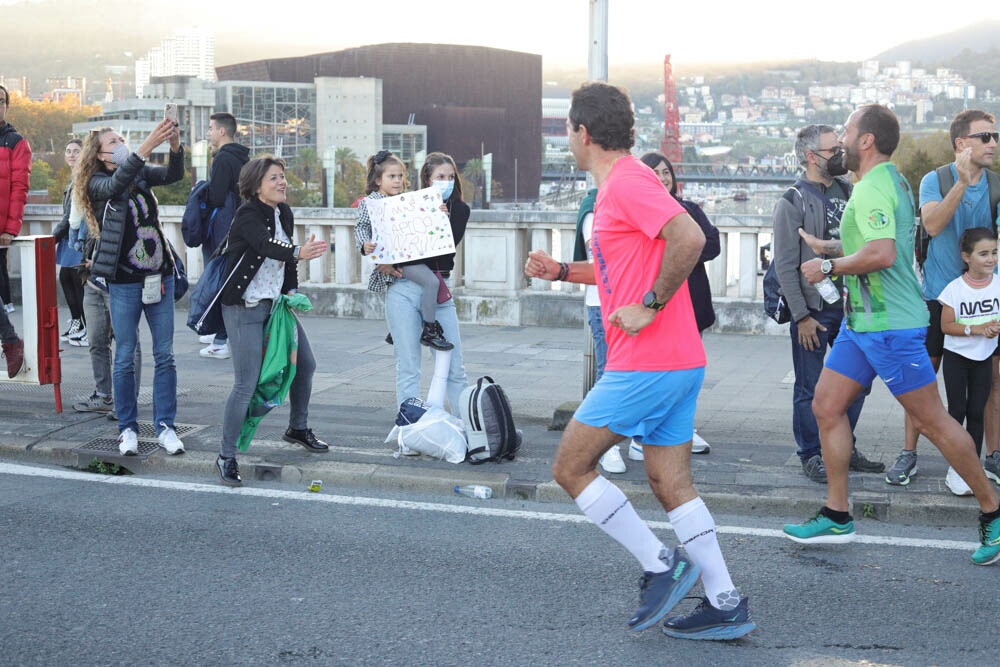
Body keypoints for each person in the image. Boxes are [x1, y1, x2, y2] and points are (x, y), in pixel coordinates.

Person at [525, 81, 755, 640]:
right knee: (669, 482)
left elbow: (690, 237)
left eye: (566, 133)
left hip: (646, 362)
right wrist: (560, 271)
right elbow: (618, 270)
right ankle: (724, 601)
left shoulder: (627, 180)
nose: (566, 141)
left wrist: (650, 306)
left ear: (582, 133)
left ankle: (661, 564)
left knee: (570, 468)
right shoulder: (621, 186)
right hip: (675, 361)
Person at [782, 104, 1000, 567]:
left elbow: (881, 254)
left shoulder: (874, 188)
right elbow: (890, 242)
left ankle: (993, 512)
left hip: (891, 327)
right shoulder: (888, 181)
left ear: (866, 141)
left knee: (933, 423)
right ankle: (837, 514)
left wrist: (827, 265)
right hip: (862, 325)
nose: (839, 140)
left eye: (846, 131)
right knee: (826, 405)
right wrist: (833, 247)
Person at [887, 109, 1000, 487]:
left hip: (986, 298)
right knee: (922, 379)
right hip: (938, 296)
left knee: (992, 380)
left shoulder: (998, 185)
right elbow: (933, 224)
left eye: (995, 136)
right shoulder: (935, 180)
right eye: (984, 137)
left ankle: (993, 457)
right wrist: (963, 183)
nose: (993, 143)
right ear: (961, 143)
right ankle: (909, 454)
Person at [771, 124, 881, 483]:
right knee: (810, 386)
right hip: (814, 312)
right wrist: (801, 316)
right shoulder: (792, 201)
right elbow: (786, 265)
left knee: (858, 381)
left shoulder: (849, 191)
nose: (840, 154)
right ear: (810, 156)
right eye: (833, 150)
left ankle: (842, 447)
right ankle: (812, 454)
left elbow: (865, 246)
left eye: (839, 147)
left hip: (851, 305)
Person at [214, 155, 330, 487]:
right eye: (273, 178)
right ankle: (226, 456)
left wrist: (292, 289)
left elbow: (287, 260)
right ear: (255, 186)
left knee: (305, 365)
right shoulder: (247, 214)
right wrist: (296, 251)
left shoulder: (284, 213)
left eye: (282, 176)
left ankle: (297, 427)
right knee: (245, 384)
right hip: (244, 308)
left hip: (276, 307)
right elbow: (267, 246)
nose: (281, 182)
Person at [76, 120, 186, 457]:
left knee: (164, 354)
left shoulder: (137, 173)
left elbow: (172, 176)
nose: (121, 144)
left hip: (158, 276)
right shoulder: (97, 183)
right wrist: (144, 146)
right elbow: (115, 186)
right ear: (100, 154)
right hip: (124, 281)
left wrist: (176, 146)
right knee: (124, 355)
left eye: (123, 139)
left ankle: (166, 426)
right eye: (114, 142)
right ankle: (127, 429)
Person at [355, 151, 469, 412]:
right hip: (403, 288)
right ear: (427, 179)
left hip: (438, 288)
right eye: (440, 176)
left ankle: (469, 430)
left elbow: (442, 250)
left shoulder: (459, 210)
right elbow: (384, 237)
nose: (446, 181)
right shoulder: (406, 202)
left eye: (451, 177)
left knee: (454, 367)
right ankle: (410, 428)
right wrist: (381, 257)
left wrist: (436, 218)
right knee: (408, 366)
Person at [640, 151, 720, 456]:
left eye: (666, 173)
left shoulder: (689, 209)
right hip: (657, 303)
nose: (662, 178)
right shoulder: (641, 213)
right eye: (655, 173)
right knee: (656, 370)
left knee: (688, 369)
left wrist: (679, 255)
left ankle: (684, 427)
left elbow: (712, 243)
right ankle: (651, 428)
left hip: (692, 299)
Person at [357, 151, 453, 351]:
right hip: (395, 259)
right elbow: (361, 227)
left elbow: (422, 224)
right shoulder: (370, 203)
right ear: (377, 180)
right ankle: (429, 330)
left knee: (427, 284)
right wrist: (364, 244)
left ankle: (400, 330)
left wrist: (440, 212)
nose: (398, 181)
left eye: (400, 176)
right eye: (391, 176)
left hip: (406, 256)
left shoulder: (406, 200)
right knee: (431, 282)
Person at [937, 228, 1000, 495]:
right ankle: (956, 467)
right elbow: (945, 325)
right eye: (983, 254)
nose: (991, 259)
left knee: (976, 413)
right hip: (957, 358)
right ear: (966, 257)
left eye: (994, 253)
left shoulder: (998, 283)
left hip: (984, 358)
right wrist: (976, 329)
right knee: (957, 412)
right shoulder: (954, 288)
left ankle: (971, 466)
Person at [198, 112, 250, 361]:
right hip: (240, 225)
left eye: (210, 128)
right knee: (229, 280)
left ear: (221, 131)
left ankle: (220, 339)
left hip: (222, 229)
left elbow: (216, 197)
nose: (208, 133)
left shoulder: (221, 160)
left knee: (218, 280)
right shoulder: (243, 158)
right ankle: (217, 333)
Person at [52, 139, 88, 346]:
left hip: (78, 234)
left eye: (76, 151)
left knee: (76, 278)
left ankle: (85, 326)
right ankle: (78, 322)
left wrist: (54, 236)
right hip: (70, 235)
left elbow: (71, 215)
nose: (72, 154)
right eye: (68, 151)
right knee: (66, 276)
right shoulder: (73, 178)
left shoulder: (83, 177)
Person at [0, 84, 31, 314]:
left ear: (6, 106)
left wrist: (10, 230)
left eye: (1, 100)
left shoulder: (16, 142)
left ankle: (8, 345)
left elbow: (19, 188)